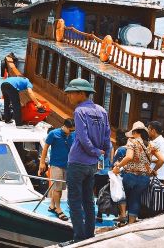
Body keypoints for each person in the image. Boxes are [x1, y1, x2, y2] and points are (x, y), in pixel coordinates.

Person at [63, 78, 111, 245]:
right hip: (92, 165)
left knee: (74, 201)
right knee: (88, 200)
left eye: (71, 93)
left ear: (81, 94)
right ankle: (89, 236)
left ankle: (78, 238)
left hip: (78, 162)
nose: (69, 96)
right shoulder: (102, 110)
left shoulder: (79, 111)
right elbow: (107, 137)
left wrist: (95, 151)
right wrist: (102, 154)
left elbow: (82, 138)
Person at [111, 121, 164, 225]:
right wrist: (154, 170)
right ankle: (130, 225)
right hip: (144, 178)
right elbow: (161, 159)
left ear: (135, 132)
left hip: (130, 175)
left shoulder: (132, 141)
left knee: (122, 194)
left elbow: (129, 157)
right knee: (135, 199)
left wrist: (118, 166)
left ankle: (123, 215)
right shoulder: (150, 144)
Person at [38, 118, 75, 221]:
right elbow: (45, 148)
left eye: (73, 130)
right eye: (70, 130)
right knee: (57, 189)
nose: (71, 132)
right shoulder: (53, 134)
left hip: (67, 165)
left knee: (60, 188)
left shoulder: (73, 134)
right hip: (56, 165)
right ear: (65, 127)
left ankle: (52, 205)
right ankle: (58, 209)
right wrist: (42, 163)